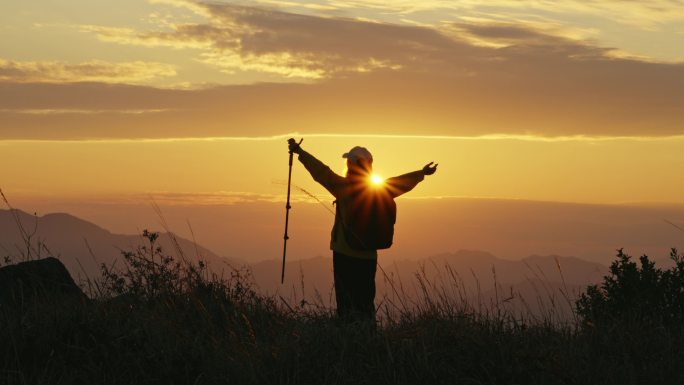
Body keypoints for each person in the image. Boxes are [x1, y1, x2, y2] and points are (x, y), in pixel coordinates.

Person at [288, 138, 438, 322]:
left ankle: (348, 339)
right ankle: (368, 338)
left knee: (345, 302)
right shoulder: (380, 189)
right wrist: (421, 173)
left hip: (344, 253)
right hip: (368, 255)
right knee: (365, 301)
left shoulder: (343, 187)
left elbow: (321, 172)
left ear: (350, 165)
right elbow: (401, 182)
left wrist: (300, 152)